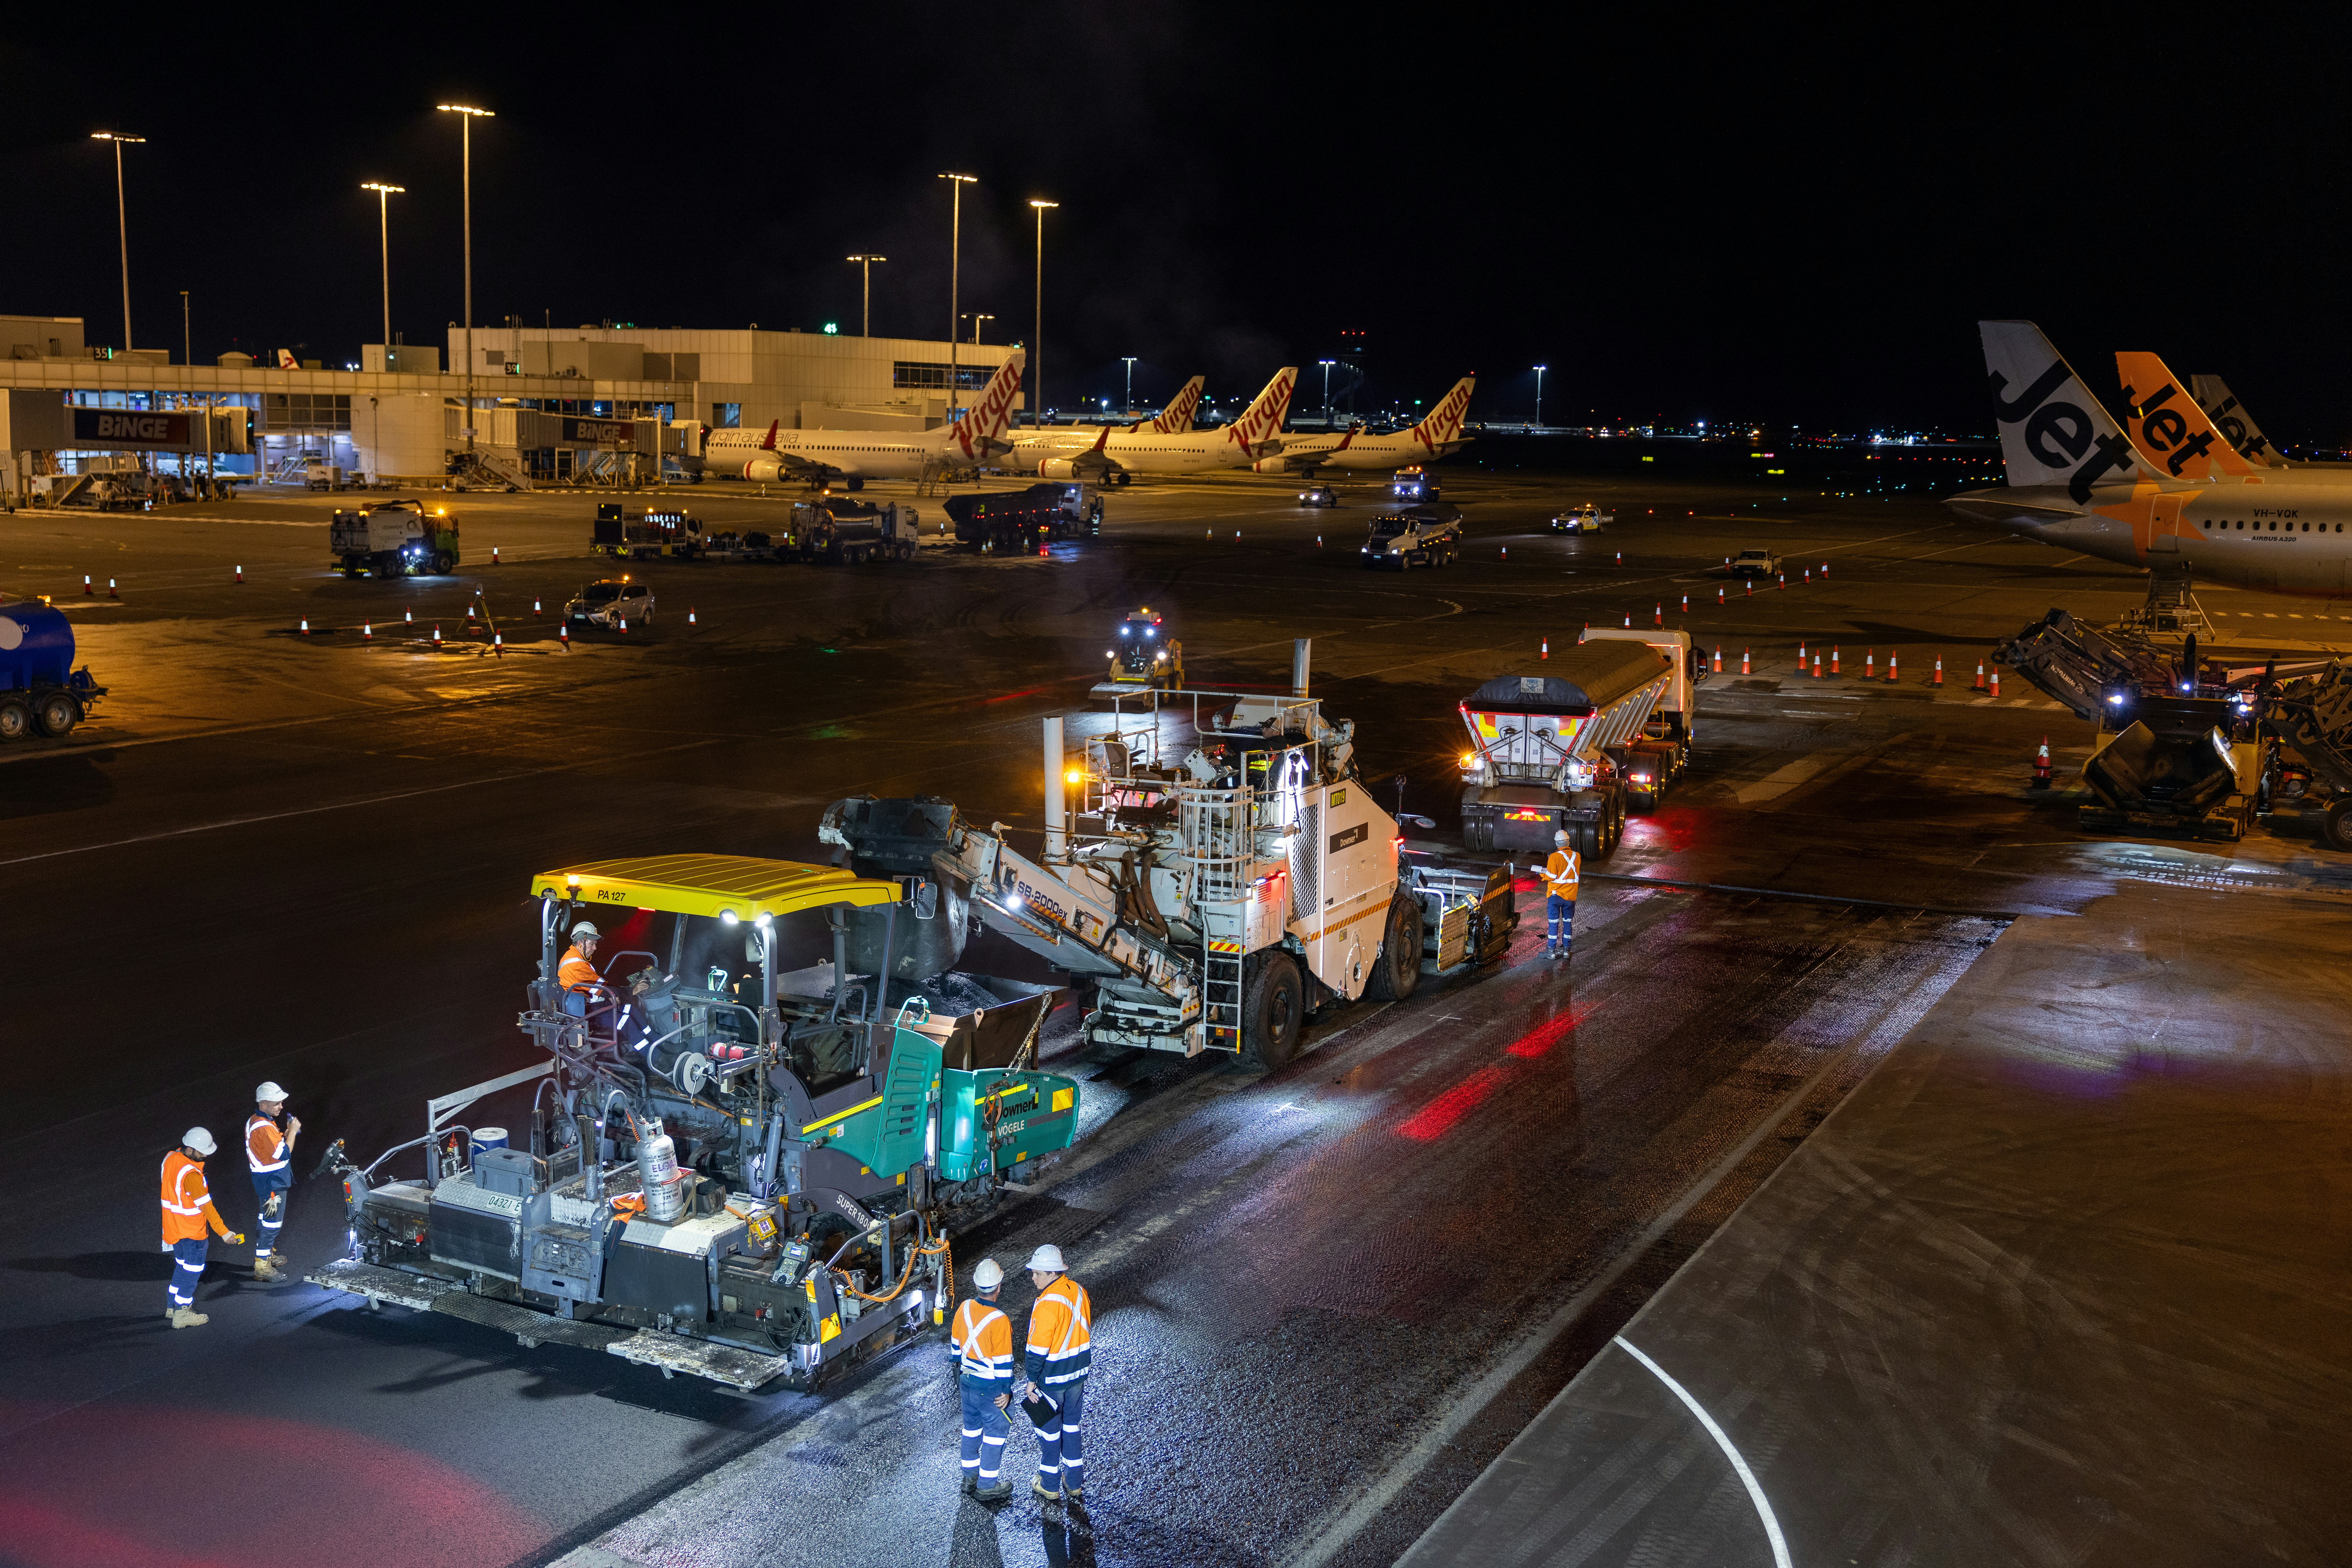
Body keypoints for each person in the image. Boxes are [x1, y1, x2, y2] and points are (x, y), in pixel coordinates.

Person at [1017, 1243, 1093, 1503]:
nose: (1033, 1277)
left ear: (1052, 1274)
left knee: (1049, 1429)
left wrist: (1031, 1381)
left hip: (1053, 1378)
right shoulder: (1080, 1291)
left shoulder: (1047, 1303)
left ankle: (1049, 1484)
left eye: (1037, 1273)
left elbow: (1036, 1350)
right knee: (1072, 1426)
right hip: (1078, 1374)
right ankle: (1074, 1483)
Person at [161, 1129, 244, 1328]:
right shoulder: (192, 1175)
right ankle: (182, 1313)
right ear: (190, 1149)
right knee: (193, 1271)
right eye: (202, 1151)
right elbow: (207, 1208)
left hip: (175, 1229)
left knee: (182, 1267)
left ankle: (171, 1306)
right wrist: (224, 1233)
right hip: (192, 1233)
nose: (206, 1155)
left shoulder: (171, 1158)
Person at [951, 1257, 1016, 1503]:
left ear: (977, 1285)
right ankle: (988, 1485)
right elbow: (1004, 1363)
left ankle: (969, 1478)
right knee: (995, 1434)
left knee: (971, 1430)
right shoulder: (1000, 1320)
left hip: (967, 1383)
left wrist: (959, 1372)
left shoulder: (964, 1308)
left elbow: (956, 1348)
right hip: (989, 1388)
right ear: (999, 1286)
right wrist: (1006, 1391)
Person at [246, 1082, 300, 1282]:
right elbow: (284, 1153)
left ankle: (265, 1254)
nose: (281, 1106)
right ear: (265, 1103)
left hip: (265, 1181)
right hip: (273, 1184)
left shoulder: (256, 1120)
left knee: (265, 1219)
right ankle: (262, 1266)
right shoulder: (264, 1126)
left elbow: (269, 1146)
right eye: (277, 1103)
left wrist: (283, 1135)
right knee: (273, 1223)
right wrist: (293, 1132)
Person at [1544, 828, 1580, 958]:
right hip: (1571, 897)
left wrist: (1543, 874)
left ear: (1557, 844)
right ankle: (1567, 951)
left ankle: (1551, 952)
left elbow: (1552, 876)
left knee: (1554, 924)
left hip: (1555, 896)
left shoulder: (1554, 857)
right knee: (1568, 923)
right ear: (1568, 842)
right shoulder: (1577, 856)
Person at [559, 922, 607, 1018]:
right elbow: (603, 989)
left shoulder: (571, 957)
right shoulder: (577, 963)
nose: (595, 948)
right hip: (580, 1012)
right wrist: (630, 992)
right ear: (580, 943)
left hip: (580, 1007)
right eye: (592, 944)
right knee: (626, 1021)